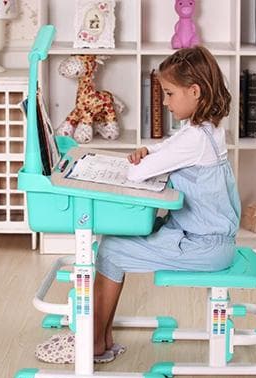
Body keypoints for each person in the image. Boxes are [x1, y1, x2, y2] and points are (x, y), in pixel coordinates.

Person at [93, 46, 241, 362]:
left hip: (204, 245)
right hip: (211, 238)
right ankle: (100, 338)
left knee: (110, 249)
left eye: (169, 94)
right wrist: (148, 150)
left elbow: (137, 174)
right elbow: (167, 146)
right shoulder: (208, 128)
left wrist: (140, 159)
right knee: (114, 244)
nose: (164, 102)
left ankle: (95, 341)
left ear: (195, 91)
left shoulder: (195, 138)